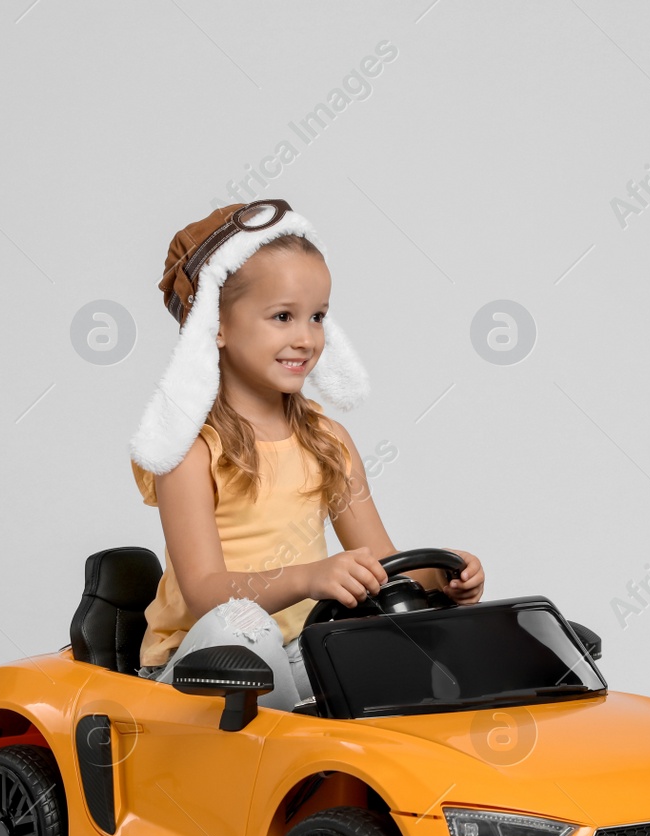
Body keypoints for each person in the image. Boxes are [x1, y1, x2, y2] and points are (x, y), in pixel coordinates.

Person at [128, 199, 485, 710]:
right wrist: (308, 579)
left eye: (317, 317)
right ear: (216, 325)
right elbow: (206, 593)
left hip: (299, 651)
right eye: (282, 317)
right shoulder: (191, 449)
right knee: (245, 625)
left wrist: (444, 578)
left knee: (377, 630)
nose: (305, 338)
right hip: (202, 663)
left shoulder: (326, 438)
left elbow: (382, 564)